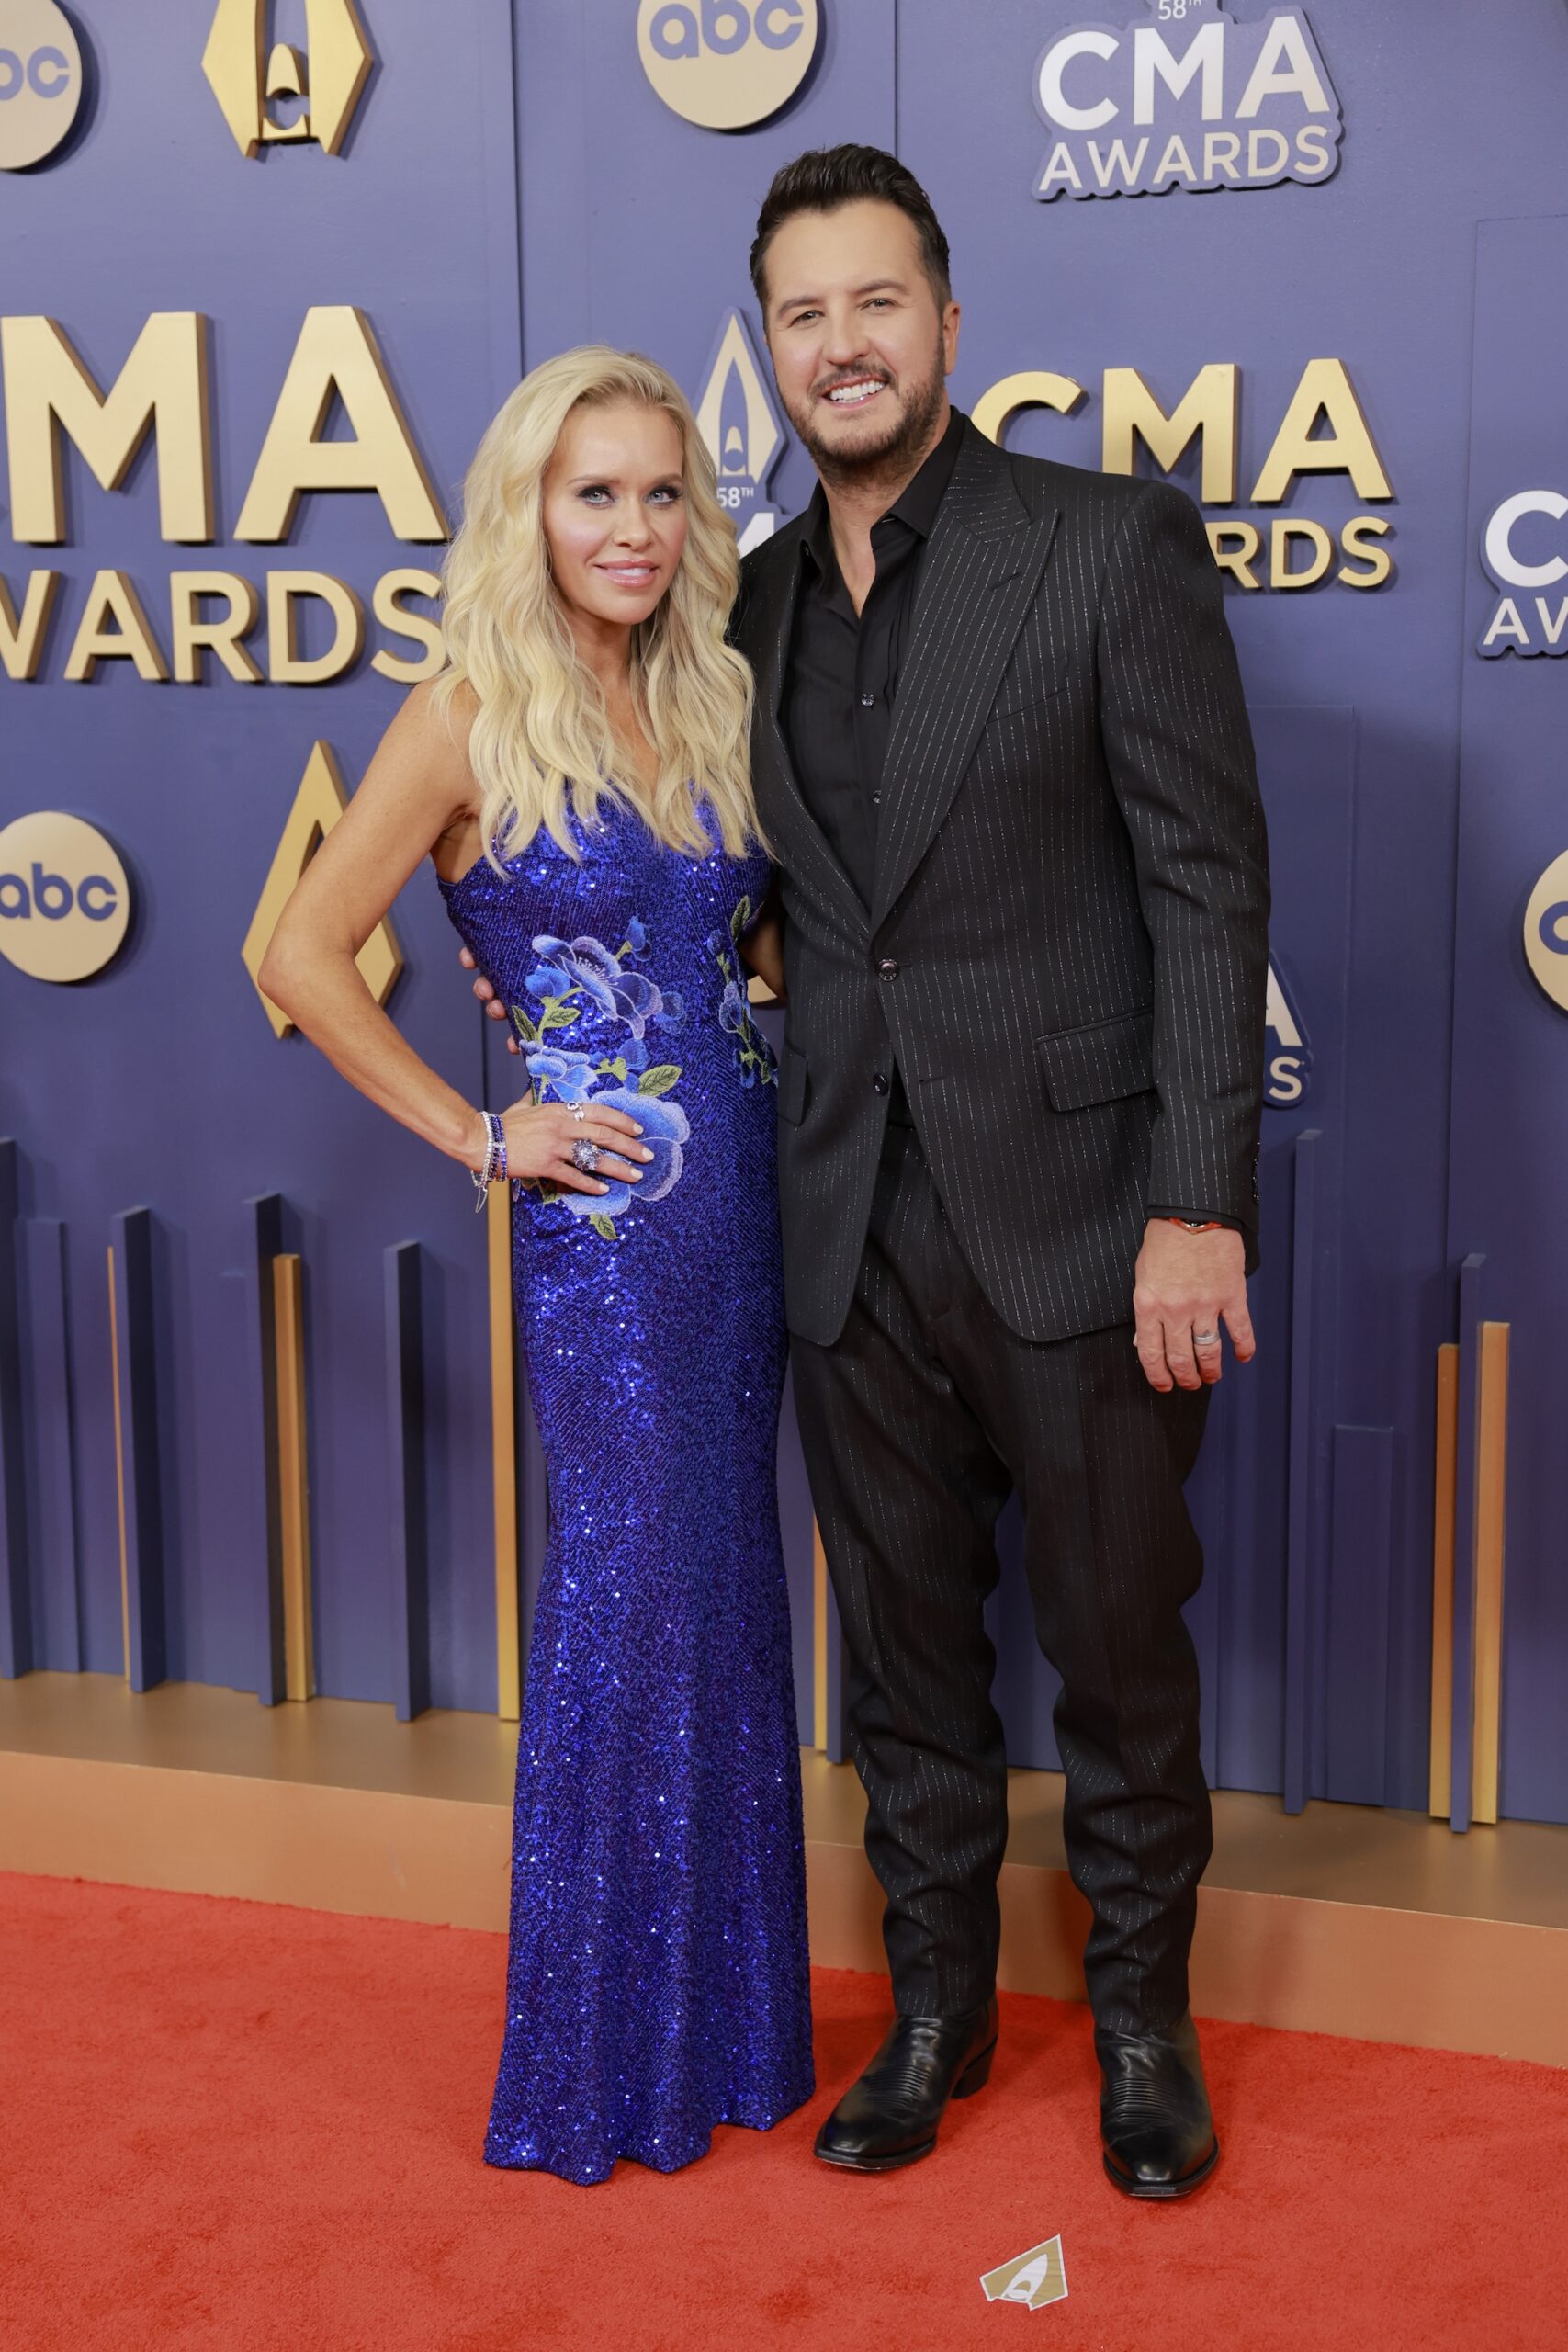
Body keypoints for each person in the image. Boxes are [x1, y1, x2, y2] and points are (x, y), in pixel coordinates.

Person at [470, 150, 1270, 2198]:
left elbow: (1203, 886)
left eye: (875, 301)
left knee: (1114, 1647)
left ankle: (1138, 2026)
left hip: (1082, 1220)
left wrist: (1196, 1197)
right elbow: (753, 900)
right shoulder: (727, 609)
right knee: (907, 1665)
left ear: (942, 315)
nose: (842, 342)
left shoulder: (1101, 542)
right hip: (828, 1220)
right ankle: (928, 2014)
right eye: (803, 313)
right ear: (769, 349)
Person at [259, 345, 813, 2187]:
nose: (634, 528)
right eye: (595, 492)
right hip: (607, 1236)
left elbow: (745, 947)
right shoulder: (468, 708)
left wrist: (750, 994)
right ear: (527, 508)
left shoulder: (711, 693)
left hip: (745, 1198)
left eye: (662, 491)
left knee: (727, 1604)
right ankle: (597, 2066)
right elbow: (298, 947)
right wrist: (484, 1130)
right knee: (619, 1614)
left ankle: (729, 2035)